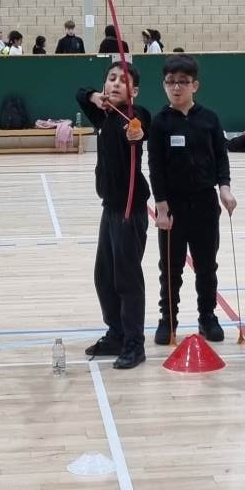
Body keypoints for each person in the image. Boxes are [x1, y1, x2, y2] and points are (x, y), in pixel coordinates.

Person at [148, 55, 236, 345]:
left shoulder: (209, 119)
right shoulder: (160, 123)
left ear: (194, 85)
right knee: (170, 268)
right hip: (172, 207)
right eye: (170, 82)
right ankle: (168, 319)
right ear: (164, 85)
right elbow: (155, 168)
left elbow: (221, 158)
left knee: (206, 265)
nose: (176, 88)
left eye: (183, 82)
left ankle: (207, 317)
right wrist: (161, 208)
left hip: (205, 205)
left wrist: (224, 189)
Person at [78, 64, 152, 371]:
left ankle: (135, 344)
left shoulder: (134, 116)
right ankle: (117, 334)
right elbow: (79, 94)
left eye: (124, 81)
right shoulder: (104, 116)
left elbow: (142, 124)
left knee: (127, 279)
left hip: (129, 210)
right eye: (111, 79)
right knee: (104, 276)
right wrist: (94, 97)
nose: (117, 84)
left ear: (134, 91)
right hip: (109, 209)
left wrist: (136, 132)